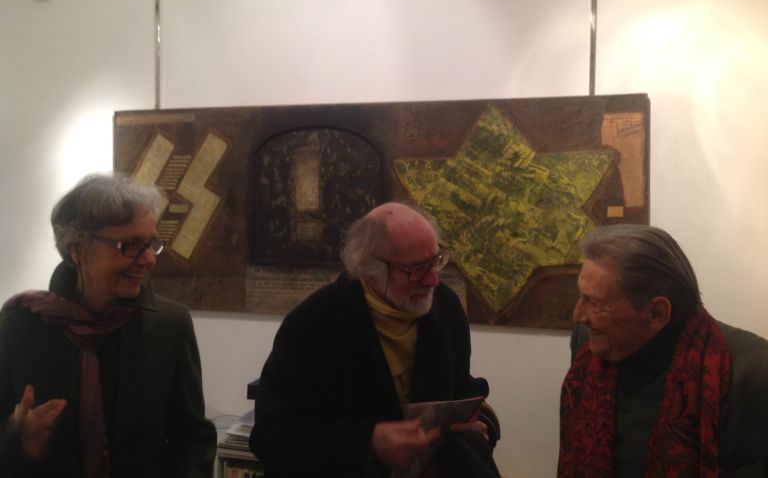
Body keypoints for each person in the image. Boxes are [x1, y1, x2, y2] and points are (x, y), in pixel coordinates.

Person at [250, 202, 500, 478]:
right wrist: (368, 443)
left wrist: (477, 423)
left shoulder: (445, 308)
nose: (433, 280)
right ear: (369, 266)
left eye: (436, 260)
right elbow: (273, 437)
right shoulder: (312, 325)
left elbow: (458, 388)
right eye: (416, 268)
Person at [0, 173, 217, 477]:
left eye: (151, 244)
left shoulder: (169, 326)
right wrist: (16, 440)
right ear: (78, 249)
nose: (149, 259)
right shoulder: (19, 327)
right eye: (129, 245)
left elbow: (193, 441)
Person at [558, 224, 768, 477]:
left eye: (594, 302)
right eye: (581, 296)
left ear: (657, 313)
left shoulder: (749, 370)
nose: (578, 315)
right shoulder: (587, 345)